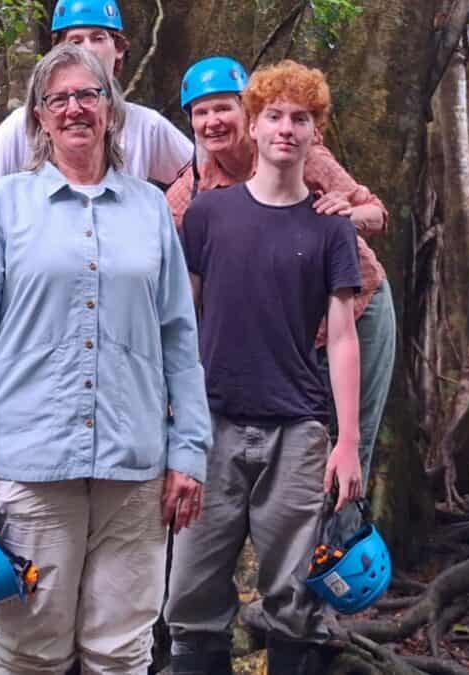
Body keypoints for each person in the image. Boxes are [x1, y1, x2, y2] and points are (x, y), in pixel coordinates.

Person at [0, 43, 212, 675]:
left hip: (135, 465)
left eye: (89, 95)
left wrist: (189, 450)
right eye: (58, 99)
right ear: (39, 117)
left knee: (122, 651)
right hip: (30, 461)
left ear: (112, 110)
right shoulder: (7, 203)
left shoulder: (149, 208)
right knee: (32, 650)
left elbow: (179, 340)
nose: (75, 109)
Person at [164, 60, 363, 675]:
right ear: (254, 125)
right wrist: (171, 413)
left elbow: (342, 335)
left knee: (295, 595)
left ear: (315, 133)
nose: (285, 129)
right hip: (211, 429)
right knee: (190, 595)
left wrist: (348, 441)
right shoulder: (206, 215)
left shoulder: (331, 229)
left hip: (297, 431)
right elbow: (178, 322)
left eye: (299, 119)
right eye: (273, 116)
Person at [166, 56, 396, 542]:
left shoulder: (296, 151)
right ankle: (287, 577)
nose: (213, 123)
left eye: (223, 109)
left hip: (355, 311)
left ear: (245, 112)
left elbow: (376, 212)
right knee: (295, 456)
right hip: (279, 337)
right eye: (201, 113)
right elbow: (164, 252)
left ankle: (335, 576)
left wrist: (340, 218)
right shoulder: (196, 189)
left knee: (347, 443)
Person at [0, 0, 192, 221]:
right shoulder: (25, 124)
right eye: (75, 41)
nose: (87, 49)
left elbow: (204, 173)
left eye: (98, 38)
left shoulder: (146, 126)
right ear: (59, 53)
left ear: (119, 49)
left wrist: (163, 217)